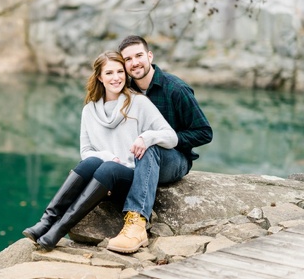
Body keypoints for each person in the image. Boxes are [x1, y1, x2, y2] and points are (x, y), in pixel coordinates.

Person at [22, 51, 178, 251]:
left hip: (131, 176)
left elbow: (171, 137)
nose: (116, 78)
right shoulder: (90, 110)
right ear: (99, 77)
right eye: (110, 73)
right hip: (105, 177)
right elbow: (86, 151)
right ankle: (46, 221)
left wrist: (146, 138)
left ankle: (58, 230)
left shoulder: (138, 102)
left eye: (120, 72)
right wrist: (107, 156)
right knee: (92, 162)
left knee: (108, 168)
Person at [106, 35, 213, 253]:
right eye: (128, 59)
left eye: (138, 56)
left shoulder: (175, 89)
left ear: (149, 56)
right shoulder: (125, 90)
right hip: (133, 158)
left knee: (150, 145)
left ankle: (137, 224)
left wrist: (162, 138)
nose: (134, 62)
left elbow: (204, 133)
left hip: (174, 159)